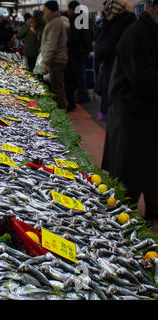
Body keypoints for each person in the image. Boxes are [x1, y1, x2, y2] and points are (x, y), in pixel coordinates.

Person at [102, 0, 158, 233]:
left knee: (150, 169)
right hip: (132, 117)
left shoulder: (149, 30)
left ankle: (151, 212)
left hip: (145, 115)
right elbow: (142, 78)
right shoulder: (138, 33)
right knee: (131, 175)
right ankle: (125, 222)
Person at [94, 0, 136, 122]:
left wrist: (105, 25)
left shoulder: (116, 27)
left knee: (117, 126)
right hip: (127, 83)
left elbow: (101, 51)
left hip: (116, 80)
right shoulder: (132, 24)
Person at [40, 1, 68, 110]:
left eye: (45, 9)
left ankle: (61, 110)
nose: (43, 11)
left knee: (57, 87)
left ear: (50, 10)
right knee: (57, 85)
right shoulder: (54, 21)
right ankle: (60, 108)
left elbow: (52, 43)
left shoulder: (55, 22)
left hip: (56, 59)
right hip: (56, 58)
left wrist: (46, 61)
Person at [67, 1, 93, 104]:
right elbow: (91, 34)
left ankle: (83, 95)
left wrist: (69, 44)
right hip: (86, 49)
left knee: (79, 73)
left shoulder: (74, 18)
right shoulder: (85, 17)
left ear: (71, 9)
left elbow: (74, 37)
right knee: (81, 72)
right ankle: (83, 94)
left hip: (78, 50)